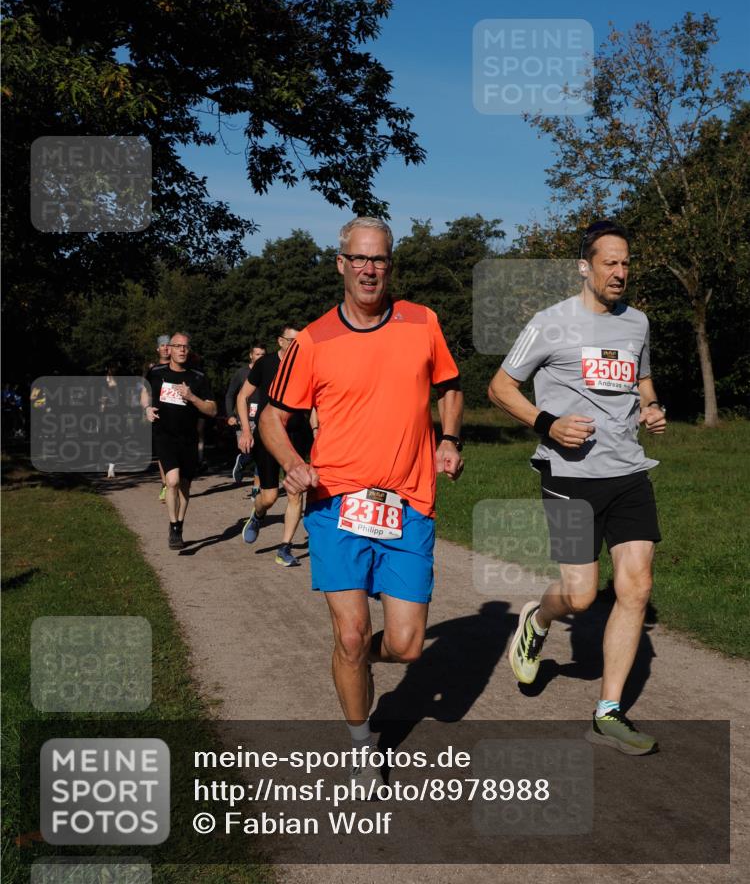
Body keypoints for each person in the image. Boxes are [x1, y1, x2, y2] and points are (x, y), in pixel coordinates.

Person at [260, 215, 464, 785]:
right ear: (341, 264)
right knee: (351, 633)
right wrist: (293, 463)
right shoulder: (313, 339)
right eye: (360, 259)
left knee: (406, 646)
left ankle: (352, 661)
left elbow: (449, 386)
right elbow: (274, 418)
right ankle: (359, 742)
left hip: (408, 502)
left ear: (389, 265)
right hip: (336, 503)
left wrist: (448, 439)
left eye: (380, 259)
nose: (370, 269)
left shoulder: (423, 322)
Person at [488, 220, 666, 756]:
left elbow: (641, 378)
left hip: (630, 472)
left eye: (626, 262)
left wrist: (652, 406)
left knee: (636, 587)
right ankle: (537, 619)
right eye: (609, 262)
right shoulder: (549, 323)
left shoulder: (637, 323)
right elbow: (499, 387)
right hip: (569, 477)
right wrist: (547, 425)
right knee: (584, 596)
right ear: (584, 267)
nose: (620, 272)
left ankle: (608, 711)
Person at [236, 329, 314, 567]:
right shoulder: (265, 364)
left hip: (298, 433)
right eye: (292, 340)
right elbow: (242, 397)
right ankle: (258, 514)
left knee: (296, 490)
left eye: (299, 341)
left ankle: (285, 547)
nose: (295, 345)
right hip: (269, 432)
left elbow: (314, 404)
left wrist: (318, 432)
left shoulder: (307, 365)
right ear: (280, 341)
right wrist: (247, 431)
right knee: (269, 496)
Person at [144, 332, 216, 549]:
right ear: (170, 350)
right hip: (164, 436)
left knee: (184, 486)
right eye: (177, 346)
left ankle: (178, 525)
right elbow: (144, 395)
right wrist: (146, 408)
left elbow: (212, 410)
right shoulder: (156, 374)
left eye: (185, 347)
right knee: (172, 481)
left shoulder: (198, 377)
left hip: (189, 438)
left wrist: (192, 397)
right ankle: (173, 525)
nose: (182, 350)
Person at [226, 343, 267, 485]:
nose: (260, 357)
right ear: (251, 355)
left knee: (263, 453)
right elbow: (230, 394)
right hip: (244, 419)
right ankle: (242, 462)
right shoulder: (241, 373)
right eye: (257, 354)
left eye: (263, 354)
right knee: (248, 450)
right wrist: (230, 415)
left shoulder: (268, 371)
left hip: (262, 418)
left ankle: (258, 487)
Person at [140, 335, 172, 502]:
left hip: (181, 419)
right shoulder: (153, 372)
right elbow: (144, 392)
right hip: (161, 417)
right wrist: (147, 408)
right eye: (163, 346)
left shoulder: (182, 368)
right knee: (163, 453)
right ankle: (166, 484)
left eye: (169, 345)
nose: (166, 348)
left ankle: (175, 483)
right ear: (158, 349)